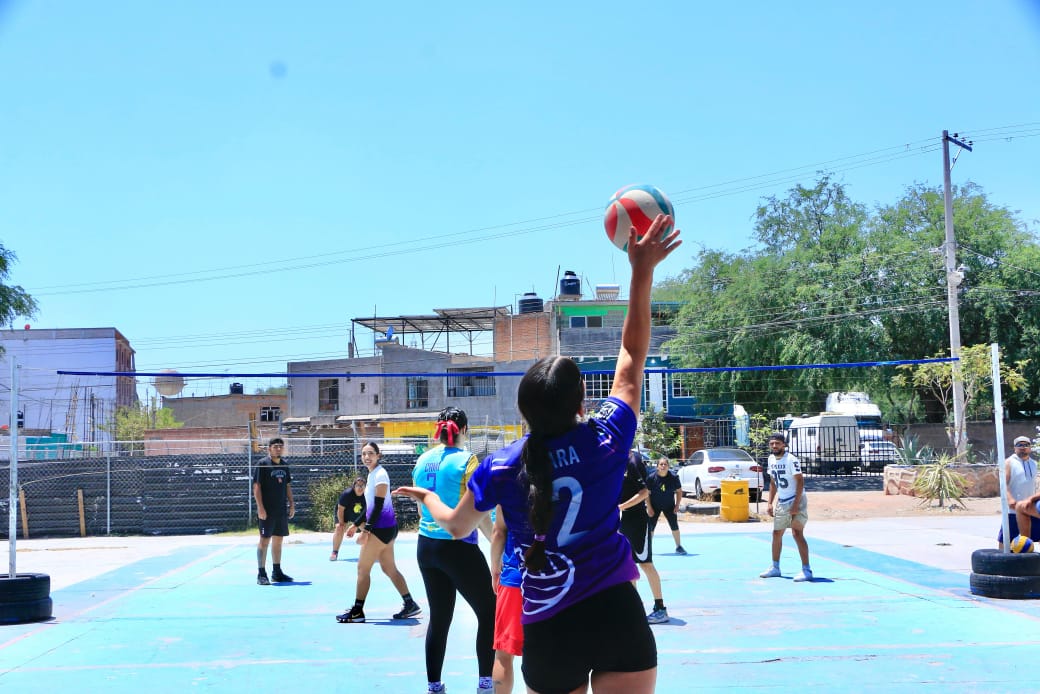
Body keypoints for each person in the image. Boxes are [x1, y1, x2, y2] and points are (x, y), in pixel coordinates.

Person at [394, 213, 680, 694]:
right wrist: (641, 271)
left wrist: (427, 498)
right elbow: (632, 357)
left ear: (523, 412)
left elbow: (459, 528)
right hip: (615, 612)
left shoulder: (501, 466)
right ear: (582, 404)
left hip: (549, 623)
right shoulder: (606, 438)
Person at [411, 407, 496, 694]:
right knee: (489, 612)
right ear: (465, 430)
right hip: (457, 548)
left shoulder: (422, 460)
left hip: (426, 547)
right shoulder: (467, 460)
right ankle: (485, 684)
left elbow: (421, 507)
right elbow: (479, 510)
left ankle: (434, 686)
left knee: (439, 617)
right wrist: (498, 542)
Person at [336, 441, 421, 623]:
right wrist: (355, 524)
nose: (367, 457)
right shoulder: (372, 474)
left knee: (362, 569)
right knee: (389, 568)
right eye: (364, 454)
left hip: (381, 530)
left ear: (378, 455)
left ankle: (357, 612)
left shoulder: (380, 474)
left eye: (370, 453)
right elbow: (370, 506)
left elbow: (379, 506)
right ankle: (410, 603)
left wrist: (365, 531)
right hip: (386, 529)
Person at [619, 450, 670, 625]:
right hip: (625, 521)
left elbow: (644, 492)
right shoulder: (617, 460)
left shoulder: (633, 461)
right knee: (628, 564)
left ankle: (660, 609)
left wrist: (621, 507)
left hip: (638, 521)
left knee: (646, 563)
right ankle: (635, 608)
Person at [760, 432, 813, 582]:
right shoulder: (771, 459)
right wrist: (770, 502)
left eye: (777, 443)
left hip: (797, 500)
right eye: (772, 443)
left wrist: (796, 504)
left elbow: (800, 481)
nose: (774, 446)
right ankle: (775, 567)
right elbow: (773, 482)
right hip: (782, 501)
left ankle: (806, 570)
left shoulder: (791, 459)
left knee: (797, 533)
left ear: (784, 444)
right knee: (776, 533)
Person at [253, 437, 295, 585]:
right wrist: (260, 507)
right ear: (269, 448)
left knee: (278, 540)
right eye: (275, 446)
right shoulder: (263, 464)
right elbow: (256, 487)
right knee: (264, 540)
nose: (278, 449)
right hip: (267, 510)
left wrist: (292, 504)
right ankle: (261, 574)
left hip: (281, 510)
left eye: (280, 446)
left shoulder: (284, 465)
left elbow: (287, 486)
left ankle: (277, 573)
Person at [489, 506, 522, 694]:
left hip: (514, 578)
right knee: (548, 653)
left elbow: (498, 532)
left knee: (503, 655)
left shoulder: (509, 489)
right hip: (552, 581)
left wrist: (495, 569)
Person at [646, 456, 686, 555]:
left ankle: (679, 546)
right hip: (654, 506)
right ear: (657, 466)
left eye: (665, 464)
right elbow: (646, 494)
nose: (663, 466)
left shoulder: (674, 477)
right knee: (651, 527)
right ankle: (648, 548)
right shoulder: (651, 478)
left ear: (668, 466)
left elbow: (679, 491)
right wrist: (649, 507)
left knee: (674, 525)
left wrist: (677, 505)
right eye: (661, 464)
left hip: (669, 506)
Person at [1010, 435, 1040, 543]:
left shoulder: (1034, 464)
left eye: (1026, 445)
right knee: (1006, 540)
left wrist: (1031, 499)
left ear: (1030, 448)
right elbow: (1003, 485)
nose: (1023, 447)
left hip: (1030, 507)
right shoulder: (1009, 463)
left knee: (1032, 539)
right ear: (1015, 448)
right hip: (1012, 510)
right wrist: (1009, 500)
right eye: (1020, 445)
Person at [331, 477, 367, 561]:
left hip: (359, 515)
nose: (360, 488)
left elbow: (366, 512)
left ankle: (370, 552)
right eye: (358, 485)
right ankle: (334, 552)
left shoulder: (367, 495)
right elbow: (340, 509)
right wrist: (341, 523)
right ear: (354, 487)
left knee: (368, 531)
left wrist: (356, 526)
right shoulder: (347, 494)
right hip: (344, 513)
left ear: (365, 487)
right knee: (339, 528)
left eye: (362, 486)